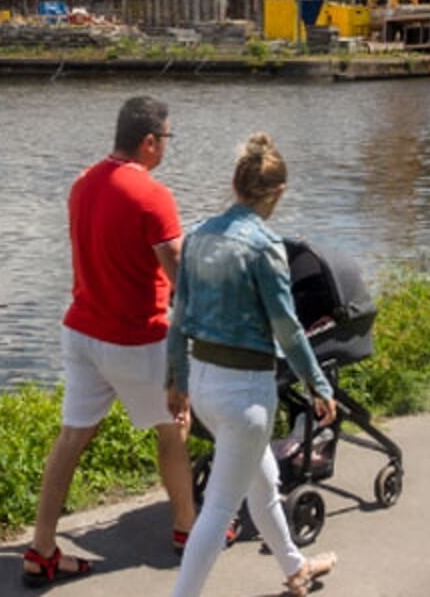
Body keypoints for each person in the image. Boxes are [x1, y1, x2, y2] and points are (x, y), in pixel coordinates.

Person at [24, 95, 200, 587]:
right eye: (166, 139)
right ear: (148, 142)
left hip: (81, 331)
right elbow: (182, 280)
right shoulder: (153, 196)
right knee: (173, 427)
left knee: (72, 437)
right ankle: (187, 527)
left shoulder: (83, 183)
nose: (166, 147)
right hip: (135, 337)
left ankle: (41, 549)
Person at [164, 133, 338, 597]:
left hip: (203, 385)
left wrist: (176, 380)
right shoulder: (264, 246)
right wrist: (319, 385)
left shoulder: (198, 235)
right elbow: (288, 329)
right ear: (278, 192)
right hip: (245, 393)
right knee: (221, 507)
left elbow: (178, 318)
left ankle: (296, 569)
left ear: (236, 184)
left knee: (261, 482)